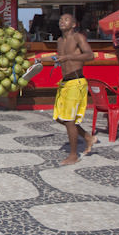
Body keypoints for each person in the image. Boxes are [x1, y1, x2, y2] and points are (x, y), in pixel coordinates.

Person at [37, 13, 96, 165]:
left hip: (76, 82)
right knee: (59, 117)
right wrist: (41, 59)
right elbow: (58, 57)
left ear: (74, 24)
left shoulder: (78, 37)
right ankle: (87, 137)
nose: (62, 21)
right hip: (65, 82)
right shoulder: (60, 40)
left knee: (69, 120)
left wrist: (69, 57)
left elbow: (90, 55)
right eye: (61, 19)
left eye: (66, 19)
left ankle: (73, 155)